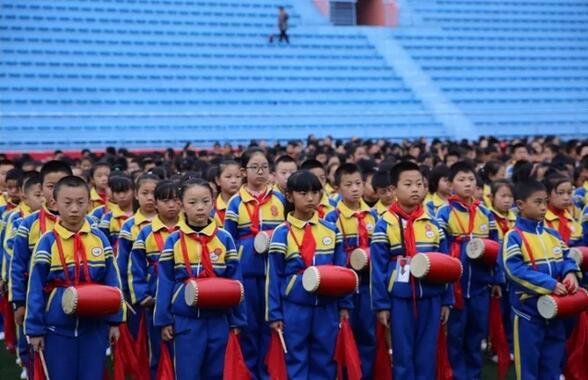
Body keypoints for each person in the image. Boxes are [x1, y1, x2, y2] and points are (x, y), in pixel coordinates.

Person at [25, 176, 124, 380]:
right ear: (54, 203)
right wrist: (35, 329)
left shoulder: (99, 238)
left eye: (80, 202)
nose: (74, 209)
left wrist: (115, 321)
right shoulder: (47, 242)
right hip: (57, 328)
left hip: (94, 326)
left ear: (89, 203)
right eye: (67, 203)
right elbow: (35, 287)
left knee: (93, 375)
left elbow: (113, 282)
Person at [154, 178, 246, 380]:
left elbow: (236, 281)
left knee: (216, 371)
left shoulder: (224, 238)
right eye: (192, 202)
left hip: (218, 318)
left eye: (205, 201)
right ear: (181, 205)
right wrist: (164, 320)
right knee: (188, 372)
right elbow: (165, 281)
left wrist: (237, 320)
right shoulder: (174, 240)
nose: (200, 208)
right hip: (186, 320)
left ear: (213, 202)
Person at [266, 170, 351, 379]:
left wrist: (344, 305)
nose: (311, 198)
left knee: (326, 357)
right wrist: (275, 314)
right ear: (289, 196)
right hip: (295, 307)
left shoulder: (331, 230)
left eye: (315, 192)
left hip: (326, 306)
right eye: (303, 193)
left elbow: (342, 272)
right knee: (295, 357)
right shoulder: (281, 233)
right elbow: (274, 276)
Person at [371, 161, 453, 379]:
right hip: (400, 300)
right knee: (403, 354)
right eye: (408, 184)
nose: (415, 188)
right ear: (394, 189)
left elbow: (447, 265)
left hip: (431, 298)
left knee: (427, 353)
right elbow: (377, 269)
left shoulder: (434, 224)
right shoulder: (384, 224)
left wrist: (447, 299)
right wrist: (381, 305)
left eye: (419, 183)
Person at [503, 179, 580, 380]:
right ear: (520, 205)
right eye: (537, 202)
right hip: (527, 312)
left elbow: (566, 258)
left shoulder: (552, 234)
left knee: (553, 361)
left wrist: (570, 273)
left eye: (545, 201)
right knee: (529, 366)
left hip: (555, 310)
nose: (544, 207)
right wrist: (550, 284)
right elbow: (514, 271)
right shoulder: (514, 236)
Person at [436, 161, 501, 380]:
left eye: (471, 180)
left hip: (481, 287)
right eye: (461, 180)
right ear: (451, 184)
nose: (467, 184)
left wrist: (497, 280)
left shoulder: (485, 213)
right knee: (455, 335)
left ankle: (473, 375)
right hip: (456, 288)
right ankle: (457, 375)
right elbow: (441, 250)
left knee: (476, 334)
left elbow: (496, 249)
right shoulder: (443, 214)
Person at [224, 148, 286, 378]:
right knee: (248, 327)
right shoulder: (235, 203)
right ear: (243, 171)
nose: (260, 172)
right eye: (254, 167)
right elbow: (228, 240)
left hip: (273, 273)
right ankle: (250, 372)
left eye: (264, 168)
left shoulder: (280, 198)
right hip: (246, 274)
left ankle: (269, 372)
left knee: (271, 325)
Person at [325, 163, 378, 379]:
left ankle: (365, 374)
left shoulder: (374, 216)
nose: (355, 189)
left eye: (358, 183)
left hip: (368, 286)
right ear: (337, 188)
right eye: (348, 185)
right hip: (345, 288)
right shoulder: (331, 218)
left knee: (368, 335)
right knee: (344, 335)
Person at [128, 180, 182, 378]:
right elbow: (136, 266)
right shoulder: (146, 232)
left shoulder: (187, 229)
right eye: (165, 200)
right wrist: (142, 295)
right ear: (156, 203)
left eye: (176, 200)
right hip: (154, 301)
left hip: (184, 300)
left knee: (184, 351)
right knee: (157, 350)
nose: (171, 205)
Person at [98, 175, 135, 253]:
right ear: (113, 194)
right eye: (117, 192)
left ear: (134, 192)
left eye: (125, 191)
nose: (121, 196)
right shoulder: (108, 218)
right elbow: (102, 242)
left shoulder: (139, 216)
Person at [544, 175, 582, 247]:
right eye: (561, 193)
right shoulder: (541, 219)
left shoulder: (571, 217)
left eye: (569, 193)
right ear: (547, 195)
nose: (566, 198)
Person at [212, 160, 241, 227]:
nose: (234, 181)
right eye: (228, 177)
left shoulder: (247, 204)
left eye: (238, 177)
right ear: (218, 180)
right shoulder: (212, 209)